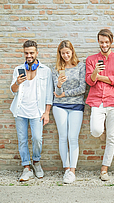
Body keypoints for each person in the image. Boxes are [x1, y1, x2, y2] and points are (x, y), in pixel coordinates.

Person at [85, 29, 114, 181]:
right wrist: (95, 72)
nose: (104, 45)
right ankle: (101, 131)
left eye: (106, 42)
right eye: (101, 42)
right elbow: (90, 81)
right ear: (98, 42)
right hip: (97, 100)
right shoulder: (91, 59)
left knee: (112, 137)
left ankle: (104, 168)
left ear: (111, 42)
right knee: (96, 130)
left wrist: (99, 77)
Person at [10, 40, 53, 182]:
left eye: (31, 53)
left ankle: (36, 162)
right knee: (22, 140)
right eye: (26, 53)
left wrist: (47, 112)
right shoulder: (18, 70)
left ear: (37, 53)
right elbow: (13, 91)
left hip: (37, 112)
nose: (29, 55)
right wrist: (17, 83)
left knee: (37, 139)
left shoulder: (45, 70)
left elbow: (48, 93)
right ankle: (26, 167)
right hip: (20, 110)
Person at [52, 40, 86, 184]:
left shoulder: (80, 66)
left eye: (68, 52)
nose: (65, 55)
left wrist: (64, 94)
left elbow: (82, 88)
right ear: (59, 54)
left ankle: (72, 170)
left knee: (73, 137)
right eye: (63, 53)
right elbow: (56, 93)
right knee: (63, 136)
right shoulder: (56, 68)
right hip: (59, 106)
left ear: (72, 51)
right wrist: (59, 84)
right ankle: (66, 169)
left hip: (76, 106)